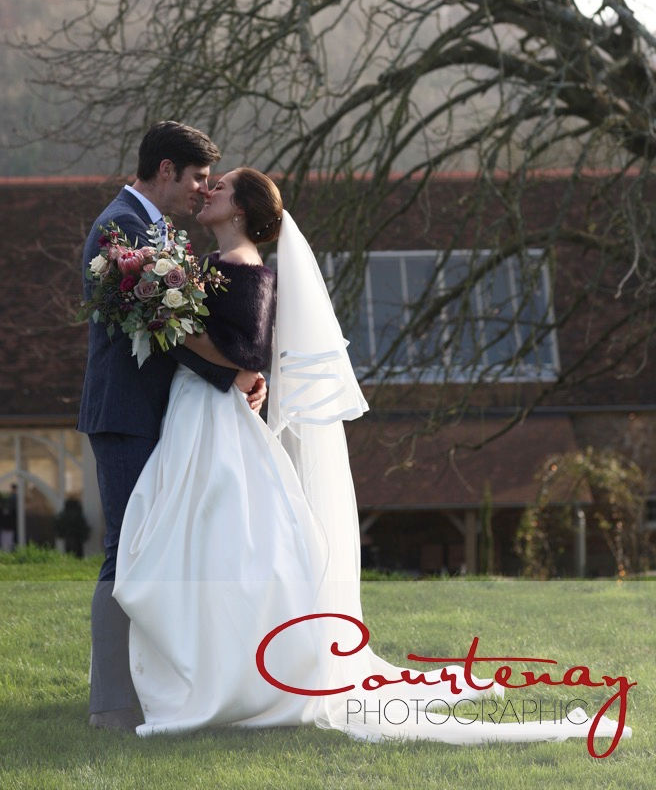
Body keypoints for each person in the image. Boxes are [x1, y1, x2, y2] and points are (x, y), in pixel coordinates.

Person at [113, 167, 631, 750]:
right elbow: (233, 359)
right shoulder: (210, 267)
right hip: (195, 413)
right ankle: (207, 667)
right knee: (194, 539)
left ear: (241, 211)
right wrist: (177, 323)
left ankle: (233, 676)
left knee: (219, 539)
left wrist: (170, 324)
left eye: (223, 187)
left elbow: (248, 352)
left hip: (215, 421)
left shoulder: (247, 271)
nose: (209, 192)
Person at [78, 122, 266, 732]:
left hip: (165, 414)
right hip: (127, 413)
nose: (202, 190)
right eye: (197, 178)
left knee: (157, 549)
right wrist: (235, 372)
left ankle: (155, 687)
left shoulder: (156, 231)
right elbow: (169, 327)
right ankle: (111, 703)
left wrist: (241, 374)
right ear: (166, 170)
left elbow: (186, 323)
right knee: (127, 550)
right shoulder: (121, 229)